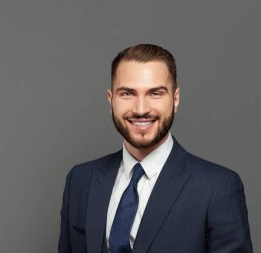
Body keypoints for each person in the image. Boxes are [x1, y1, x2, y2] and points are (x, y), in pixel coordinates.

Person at [58, 44, 252, 253]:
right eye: (127, 93)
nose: (141, 109)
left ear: (175, 99)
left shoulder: (217, 187)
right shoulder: (80, 180)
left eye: (155, 93)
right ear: (110, 99)